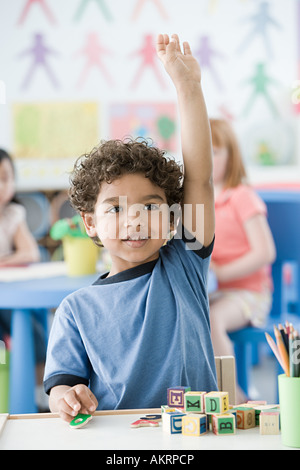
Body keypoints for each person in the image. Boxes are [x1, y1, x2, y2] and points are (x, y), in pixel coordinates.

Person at [44, 33, 217, 422]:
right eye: (116, 209)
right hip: (119, 440)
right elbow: (60, 385)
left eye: (150, 205)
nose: (134, 219)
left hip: (197, 433)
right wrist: (67, 397)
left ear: (173, 217)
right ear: (89, 223)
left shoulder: (184, 264)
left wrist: (188, 87)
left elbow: (200, 180)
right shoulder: (75, 310)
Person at [208, 119, 276, 403]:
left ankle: (234, 397)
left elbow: (265, 253)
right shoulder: (197, 202)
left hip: (250, 294)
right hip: (215, 291)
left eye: (214, 152)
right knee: (182, 315)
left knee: (212, 319)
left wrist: (221, 270)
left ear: (231, 155)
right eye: (201, 151)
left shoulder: (241, 197)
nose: (207, 160)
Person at [0, 149, 47, 409]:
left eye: (6, 178)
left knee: (32, 332)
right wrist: (10, 258)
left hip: (10, 294)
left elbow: (30, 253)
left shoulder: (12, 215)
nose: (1, 186)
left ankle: (34, 395)